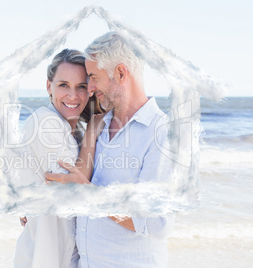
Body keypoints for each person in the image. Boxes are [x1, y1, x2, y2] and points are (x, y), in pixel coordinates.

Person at [46, 32, 175, 267]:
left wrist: (89, 194)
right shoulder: (99, 126)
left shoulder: (161, 133)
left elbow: (156, 222)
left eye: (93, 77)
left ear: (121, 73)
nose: (91, 88)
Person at [14, 49, 103, 268]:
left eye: (81, 86)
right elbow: (71, 190)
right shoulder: (45, 122)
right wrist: (93, 132)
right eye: (63, 85)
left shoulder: (74, 130)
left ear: (90, 90)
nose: (73, 96)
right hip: (44, 257)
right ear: (48, 87)